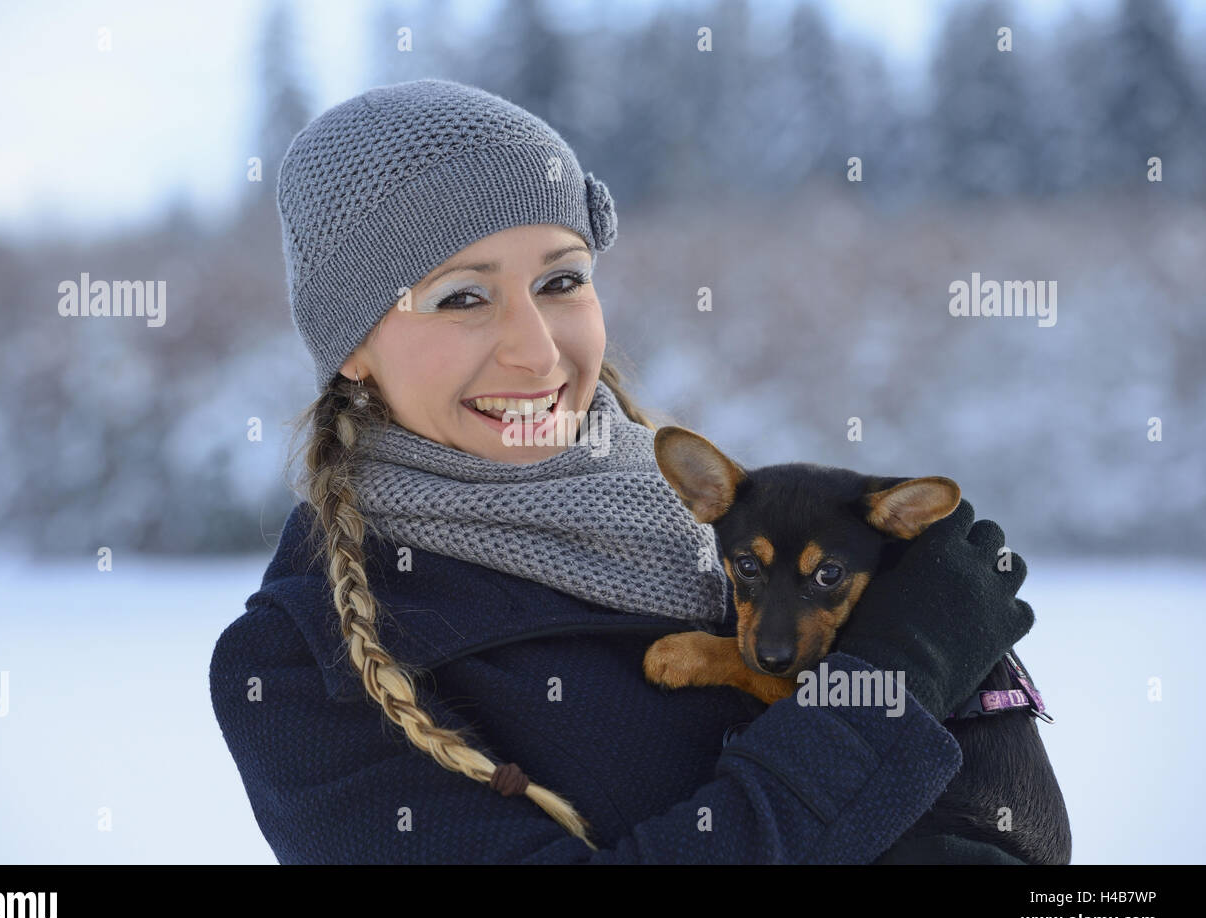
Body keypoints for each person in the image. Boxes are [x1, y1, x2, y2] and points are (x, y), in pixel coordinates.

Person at [209, 78, 1036, 864]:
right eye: (462, 296)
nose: (536, 349)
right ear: (352, 343)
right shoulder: (298, 665)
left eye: (562, 279)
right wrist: (890, 684)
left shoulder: (735, 527)